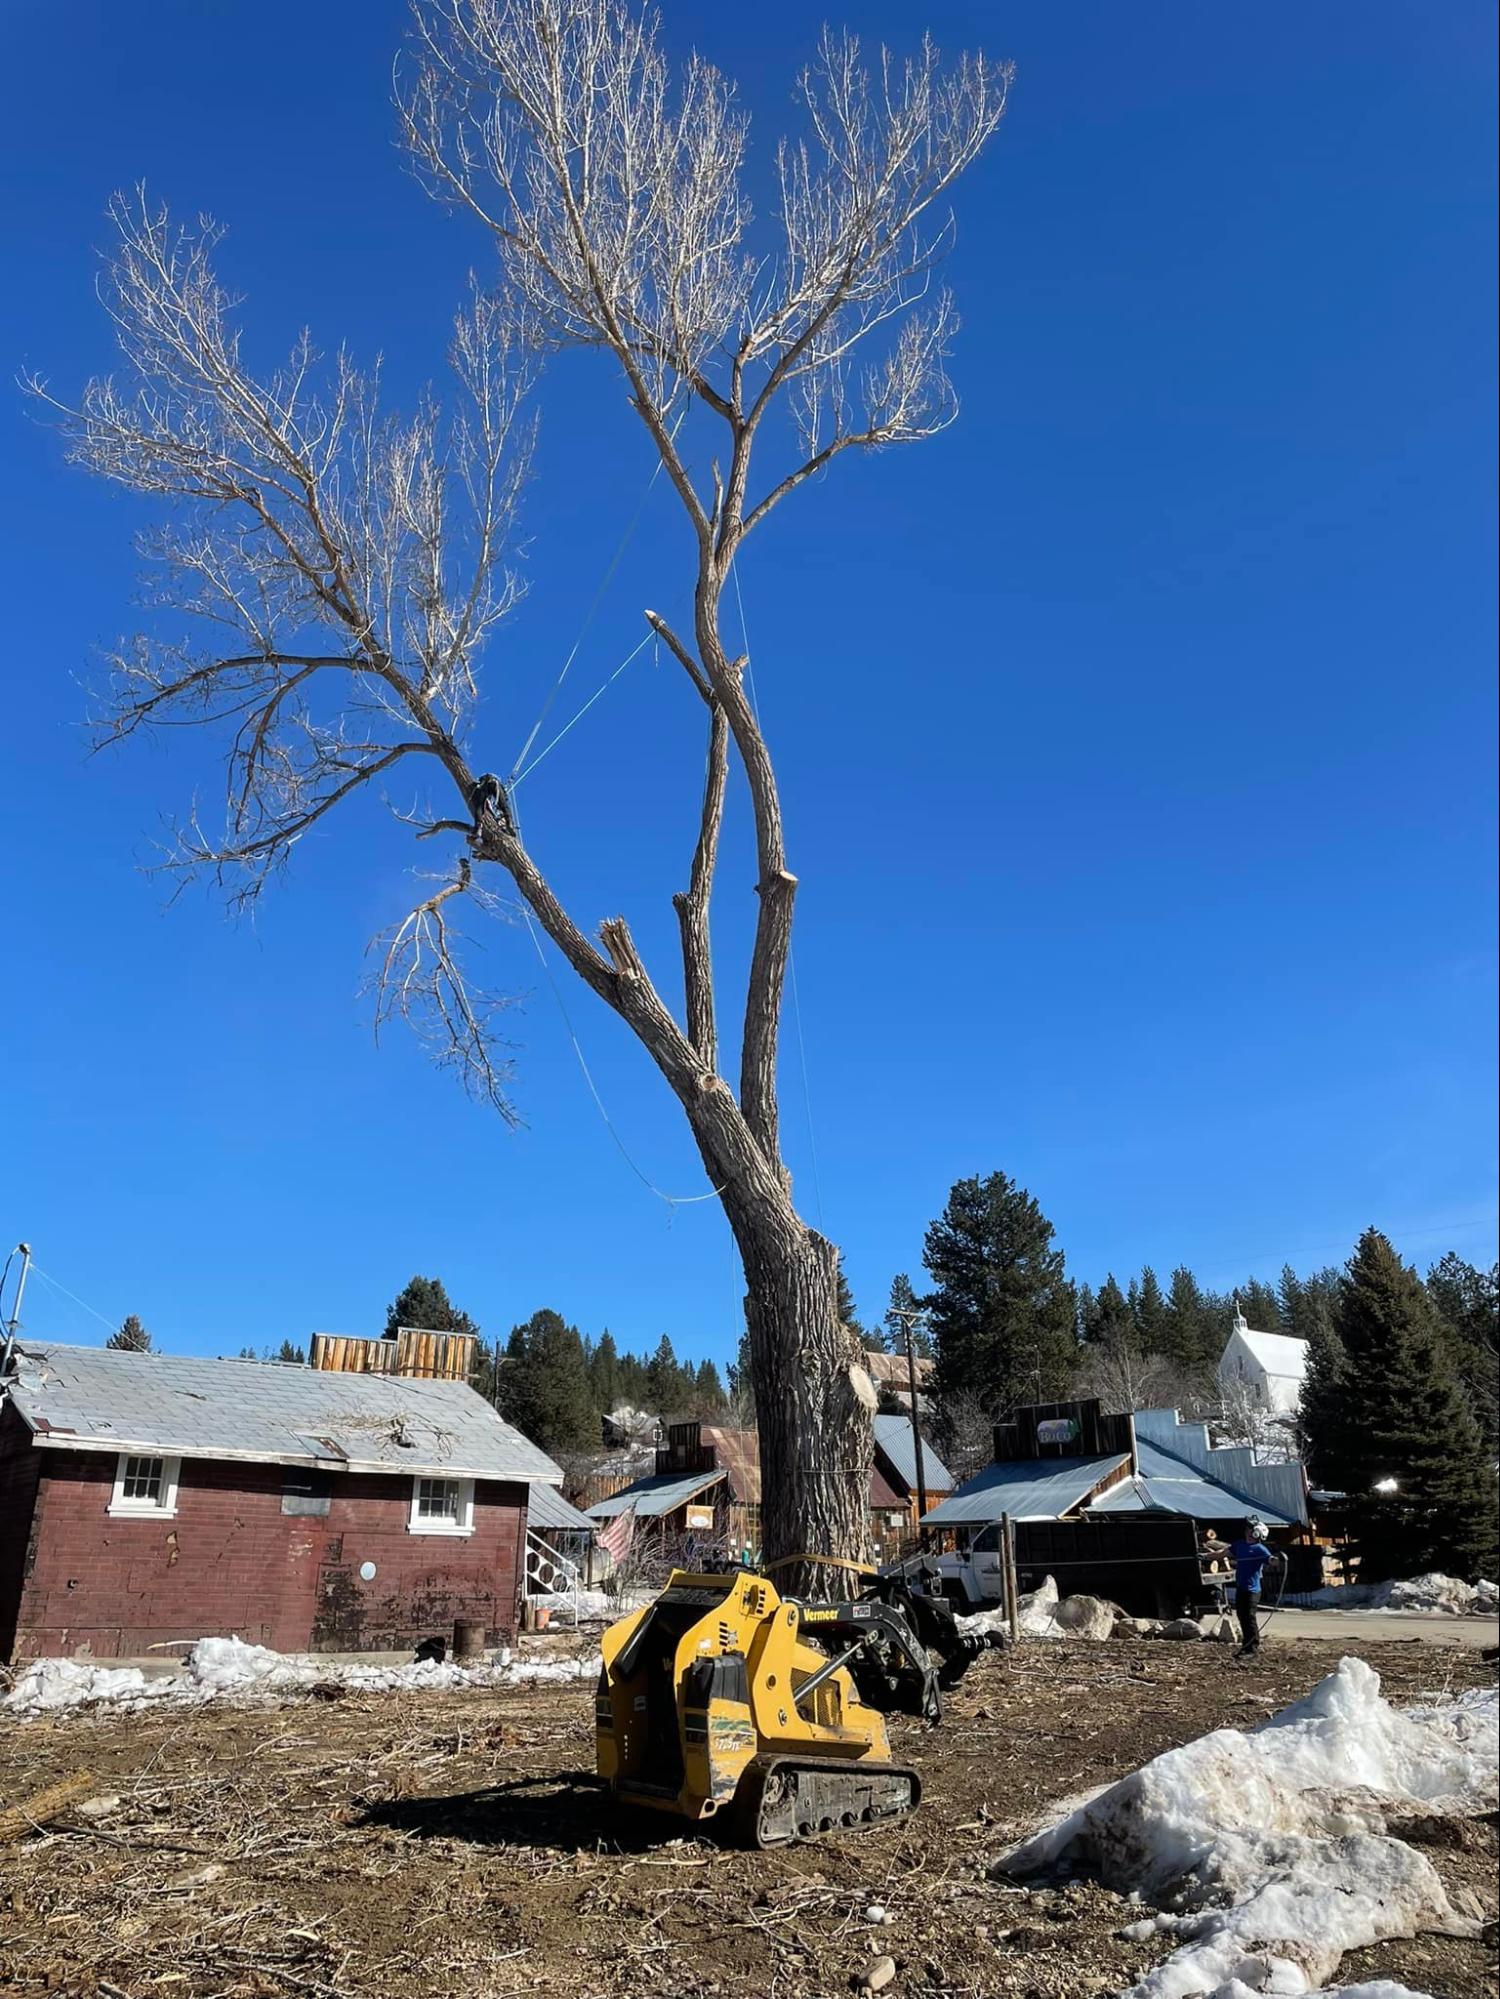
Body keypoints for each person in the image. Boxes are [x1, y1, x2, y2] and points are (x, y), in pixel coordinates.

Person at [1226, 1518, 1276, 1655]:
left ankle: (1252, 1648)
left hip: (1252, 1590)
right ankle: (1246, 1646)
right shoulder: (1240, 1545)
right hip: (1241, 1588)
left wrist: (1277, 1560)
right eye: (1247, 1529)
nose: (1248, 1532)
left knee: (1249, 1617)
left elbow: (1271, 1560)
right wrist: (1205, 1556)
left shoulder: (1260, 1549)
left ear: (1257, 1533)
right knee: (1242, 1616)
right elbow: (1223, 1554)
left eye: (1251, 1530)